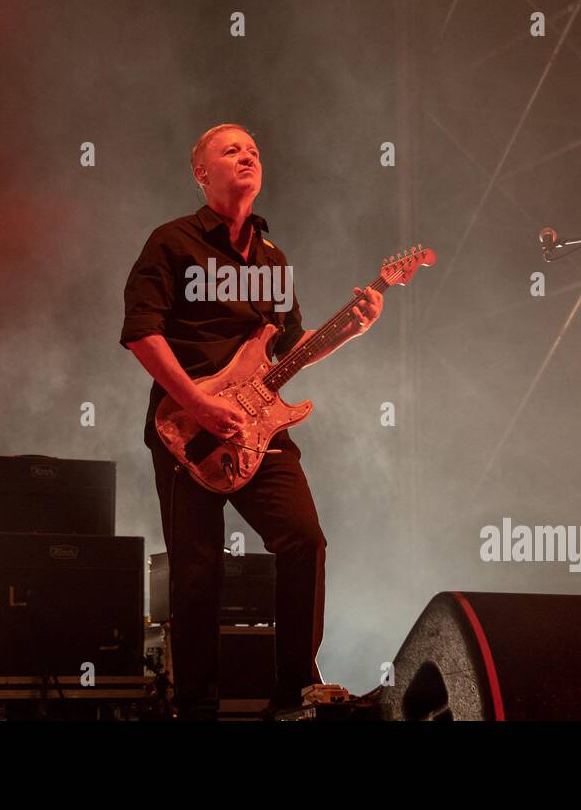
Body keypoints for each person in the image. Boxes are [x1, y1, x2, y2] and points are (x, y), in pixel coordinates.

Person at [119, 122, 382, 719]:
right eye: (231, 150)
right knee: (197, 567)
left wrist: (356, 326)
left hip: (260, 430)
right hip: (187, 430)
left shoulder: (272, 258)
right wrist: (197, 402)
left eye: (254, 151)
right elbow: (141, 333)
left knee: (304, 540)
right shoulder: (172, 243)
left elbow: (293, 347)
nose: (247, 156)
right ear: (201, 173)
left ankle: (294, 690)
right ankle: (196, 707)